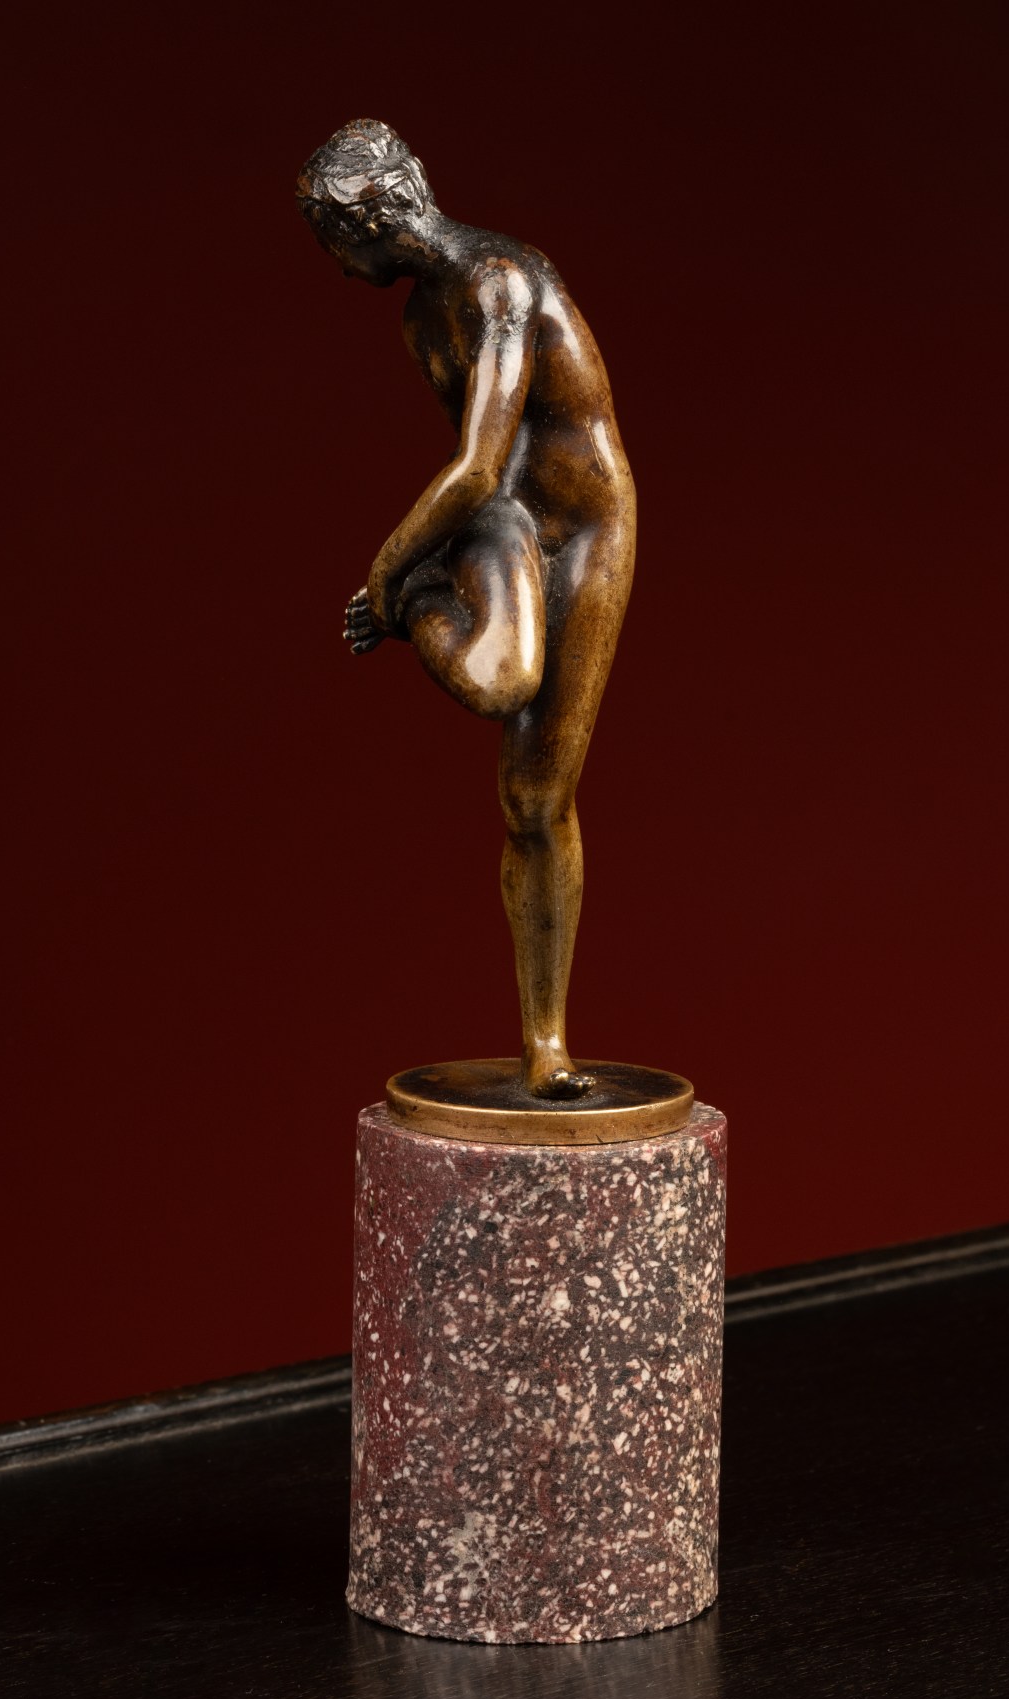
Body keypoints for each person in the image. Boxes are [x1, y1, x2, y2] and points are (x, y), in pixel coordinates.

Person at [297, 120, 636, 1100]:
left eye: (333, 243)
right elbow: (486, 483)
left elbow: (479, 461)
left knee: (536, 801)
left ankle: (546, 1043)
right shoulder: (419, 318)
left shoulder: (498, 282)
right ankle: (423, 601)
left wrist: (383, 573)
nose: (338, 269)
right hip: (501, 520)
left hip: (586, 527)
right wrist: (427, 561)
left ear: (367, 224)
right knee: (499, 683)